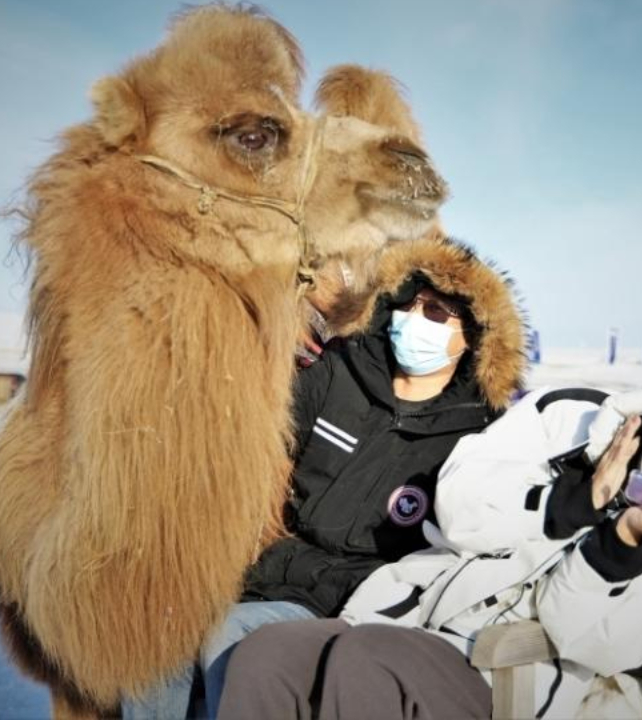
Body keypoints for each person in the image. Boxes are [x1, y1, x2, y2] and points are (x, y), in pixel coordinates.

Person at [217, 346, 642, 719]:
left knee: (367, 660)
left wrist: (620, 549)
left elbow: (595, 645)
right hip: (398, 613)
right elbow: (453, 502)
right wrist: (572, 501)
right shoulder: (570, 423)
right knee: (268, 654)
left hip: (501, 673)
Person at [123, 235, 527, 719]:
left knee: (226, 638)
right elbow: (258, 426)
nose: (416, 320)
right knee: (152, 632)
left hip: (358, 600)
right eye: (409, 304)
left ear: (474, 337)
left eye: (438, 313)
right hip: (269, 569)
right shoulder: (342, 372)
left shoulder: (473, 433)